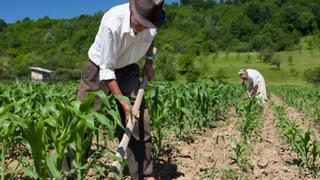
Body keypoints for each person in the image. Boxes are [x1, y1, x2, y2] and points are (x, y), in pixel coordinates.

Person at [74, 0, 165, 179]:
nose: (142, 27)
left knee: (138, 119)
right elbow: (107, 71)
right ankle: (70, 171)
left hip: (128, 67)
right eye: (139, 21)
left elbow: (150, 41)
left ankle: (143, 174)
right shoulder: (112, 23)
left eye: (146, 24)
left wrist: (149, 62)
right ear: (131, 7)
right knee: (83, 120)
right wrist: (124, 105)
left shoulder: (152, 21)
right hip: (99, 68)